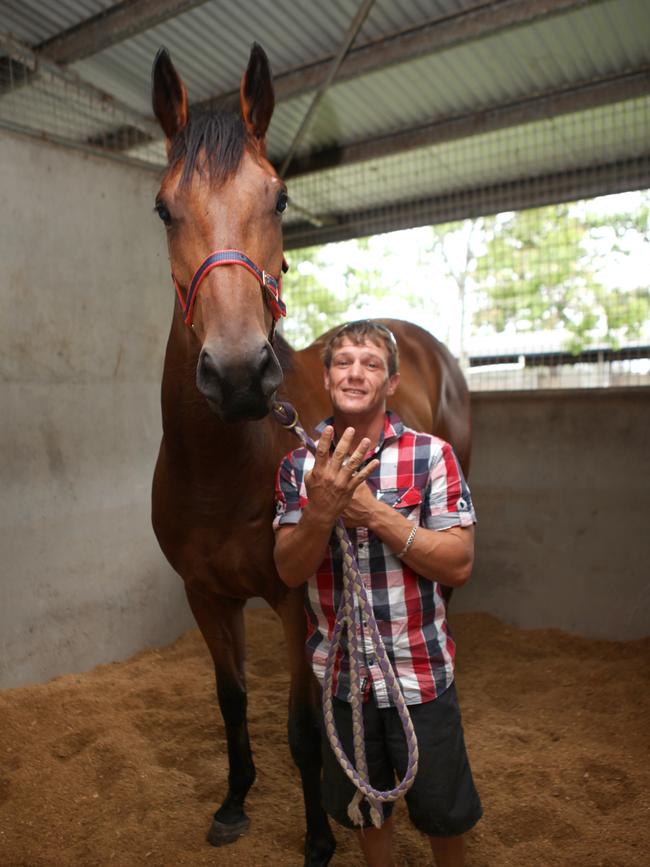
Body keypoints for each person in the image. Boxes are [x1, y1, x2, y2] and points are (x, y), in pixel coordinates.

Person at [273, 321, 482, 867]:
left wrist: (371, 513)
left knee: (443, 814)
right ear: (326, 378)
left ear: (390, 383)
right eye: (343, 362)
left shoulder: (432, 455)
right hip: (344, 679)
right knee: (368, 813)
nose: (355, 373)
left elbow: (458, 564)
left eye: (370, 364)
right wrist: (320, 508)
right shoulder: (298, 466)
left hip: (420, 673)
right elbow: (289, 571)